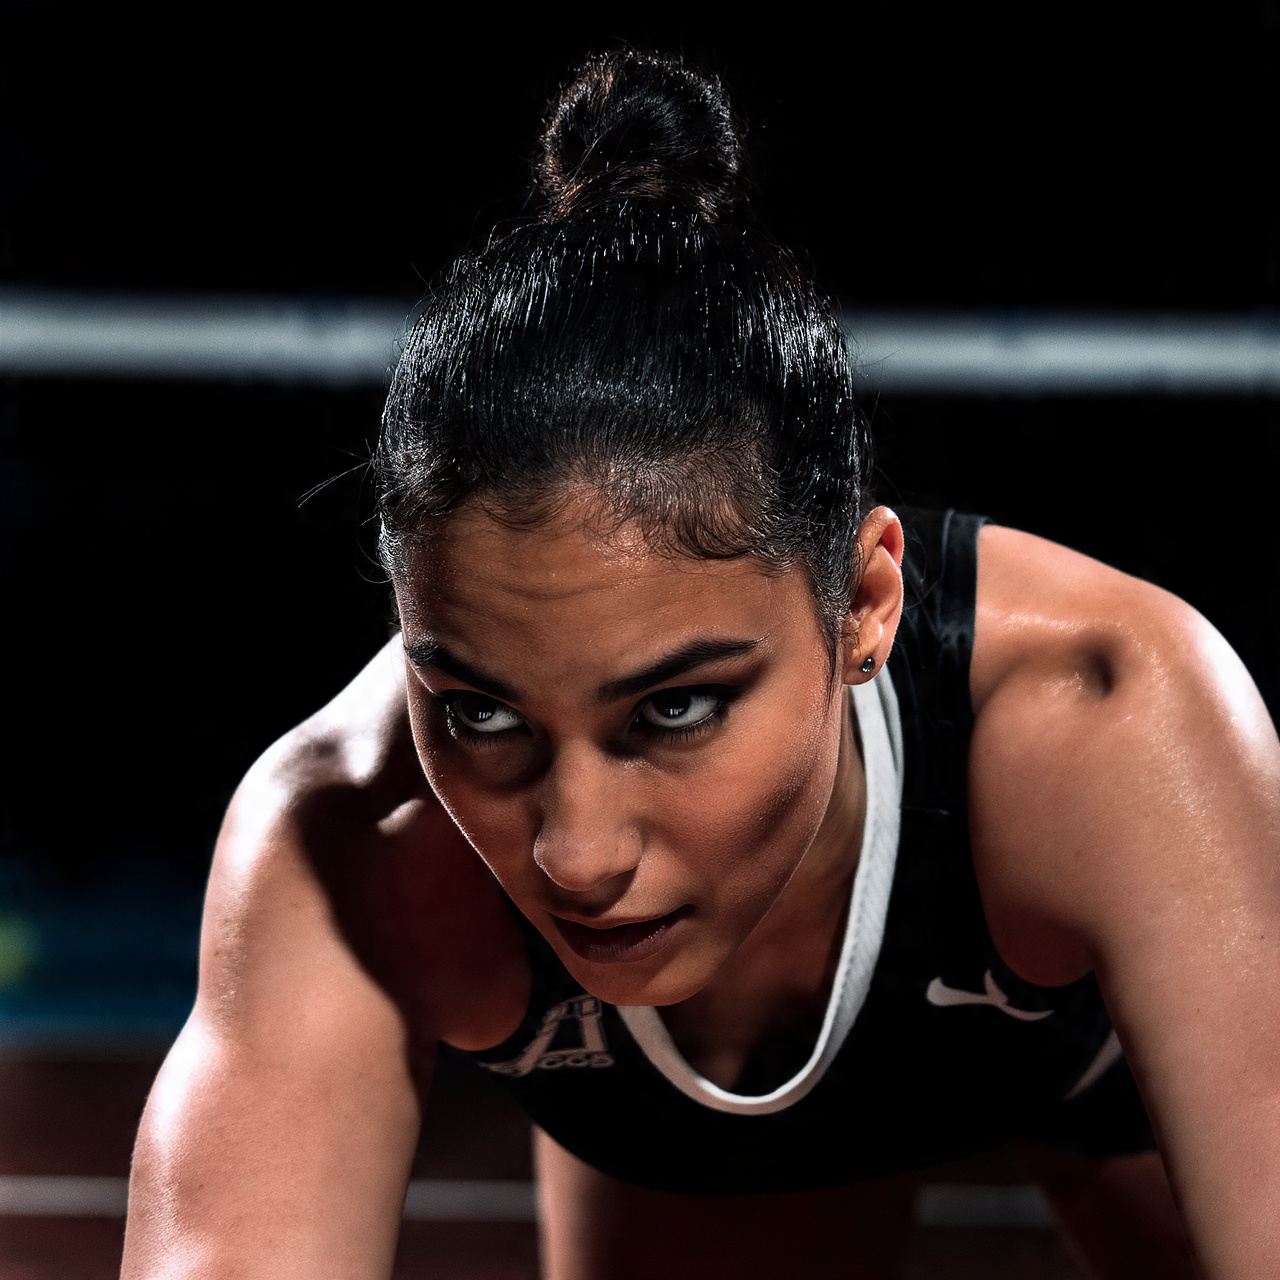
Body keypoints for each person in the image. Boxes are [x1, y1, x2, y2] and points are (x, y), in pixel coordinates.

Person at [121, 51, 1280, 1280]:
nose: (574, 853)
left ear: (864, 602)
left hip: (1093, 1060)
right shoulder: (356, 833)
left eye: (671, 707)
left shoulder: (1101, 713)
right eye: (478, 712)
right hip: (689, 1127)